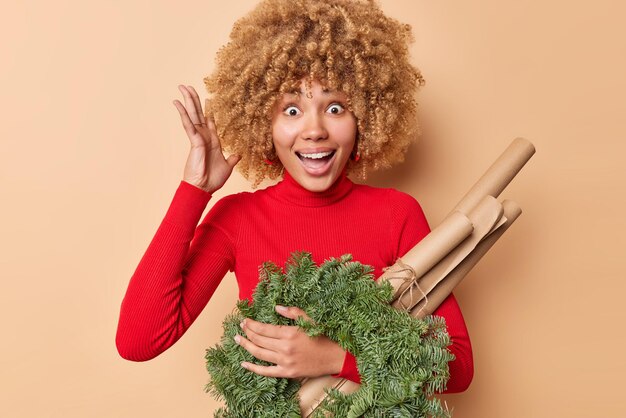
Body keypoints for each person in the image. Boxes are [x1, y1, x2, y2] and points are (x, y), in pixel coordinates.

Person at [116, 0, 473, 393]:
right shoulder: (238, 218)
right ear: (261, 122)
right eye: (291, 110)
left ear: (365, 119)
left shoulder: (396, 213)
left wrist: (335, 358)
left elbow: (457, 365)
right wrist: (194, 191)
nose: (314, 129)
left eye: (334, 107)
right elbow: (139, 341)